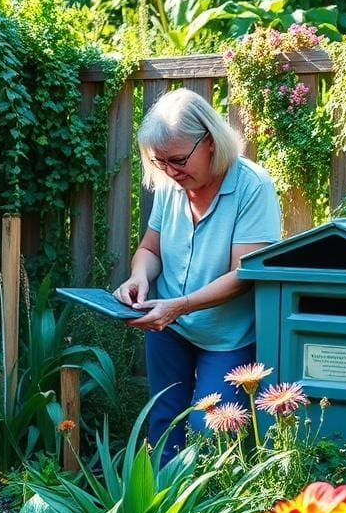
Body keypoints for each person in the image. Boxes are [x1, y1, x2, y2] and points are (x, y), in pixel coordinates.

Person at [113, 88, 281, 459]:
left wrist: (179, 305)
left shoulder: (253, 186)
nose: (171, 172)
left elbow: (245, 274)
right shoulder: (173, 185)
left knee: (213, 432)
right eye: (160, 163)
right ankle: (159, 510)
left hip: (227, 337)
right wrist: (139, 277)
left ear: (209, 141)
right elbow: (149, 250)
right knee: (164, 422)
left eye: (178, 160)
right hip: (168, 328)